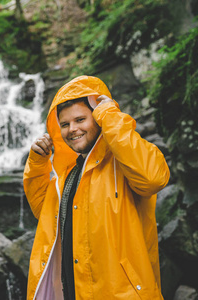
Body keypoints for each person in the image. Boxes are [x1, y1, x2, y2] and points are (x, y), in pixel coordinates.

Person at [23, 75, 170, 300]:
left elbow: (153, 178)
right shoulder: (68, 177)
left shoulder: (124, 162)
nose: (72, 129)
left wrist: (109, 115)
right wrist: (37, 164)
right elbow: (42, 213)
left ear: (98, 118)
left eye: (80, 119)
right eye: (64, 124)